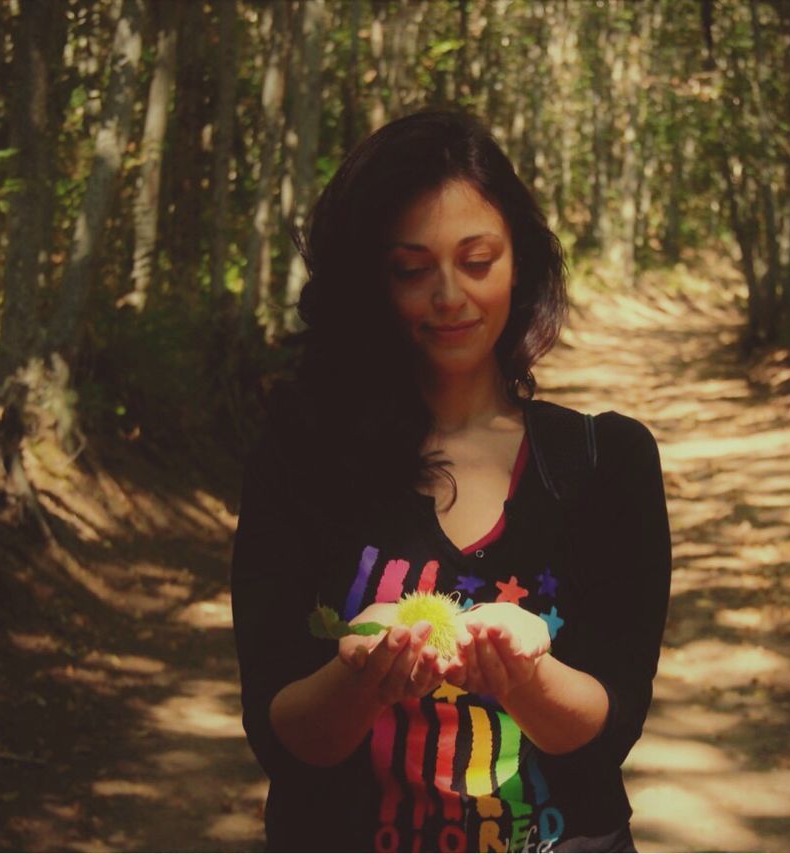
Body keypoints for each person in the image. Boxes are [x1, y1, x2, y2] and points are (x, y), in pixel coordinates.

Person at [230, 108, 671, 853]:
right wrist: (362, 682)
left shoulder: (605, 464)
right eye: (412, 269)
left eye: (477, 260)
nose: (449, 297)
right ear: (372, 281)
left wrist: (523, 680)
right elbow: (279, 728)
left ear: (519, 262)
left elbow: (607, 725)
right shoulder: (304, 456)